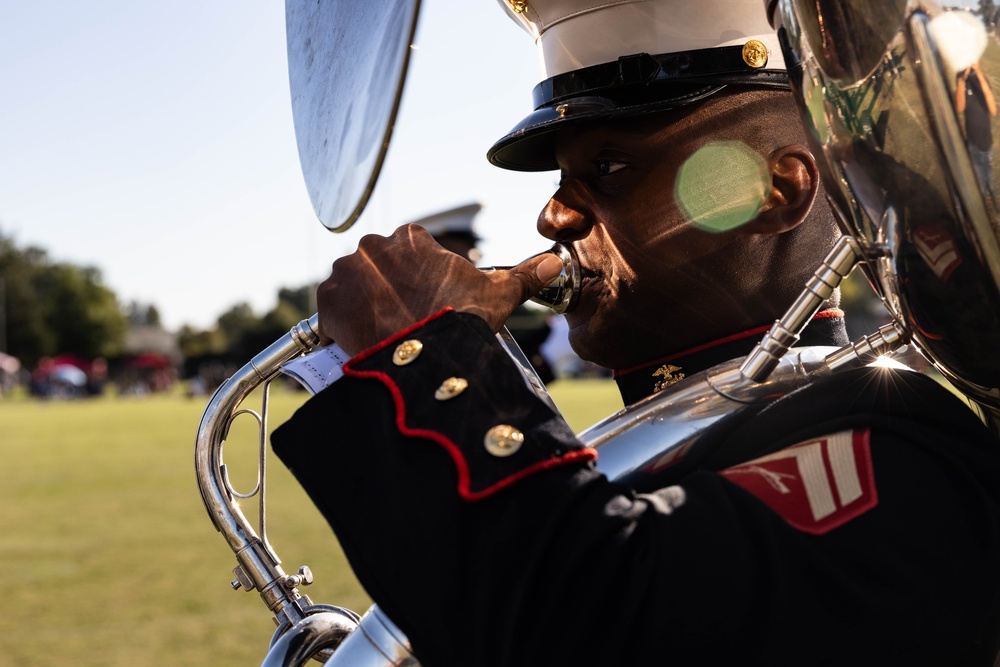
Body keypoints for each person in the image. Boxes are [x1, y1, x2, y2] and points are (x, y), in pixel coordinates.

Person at [272, 1, 1000, 664]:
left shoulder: (902, 459)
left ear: (778, 192)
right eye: (561, 178)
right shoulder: (684, 436)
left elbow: (594, 621)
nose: (553, 218)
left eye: (610, 167)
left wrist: (425, 360)